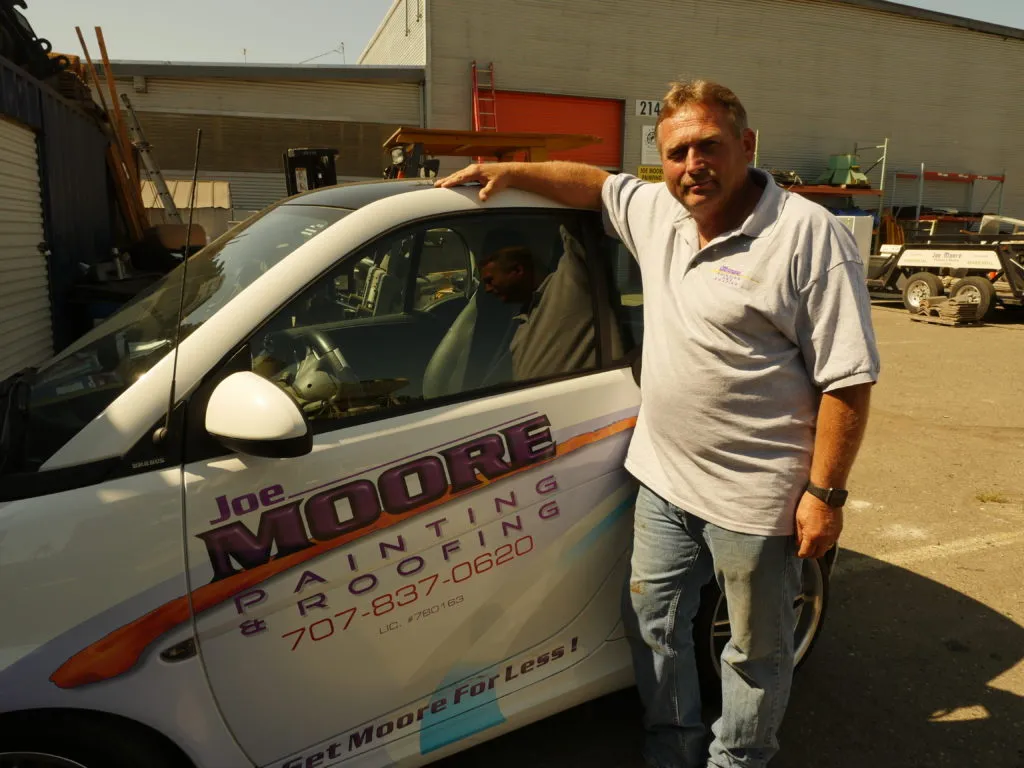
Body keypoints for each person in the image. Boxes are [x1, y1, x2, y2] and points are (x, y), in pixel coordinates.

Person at [436, 78, 879, 768]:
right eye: (676, 153)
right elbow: (590, 183)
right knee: (653, 625)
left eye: (708, 146)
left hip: (756, 501)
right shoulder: (658, 210)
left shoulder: (805, 237)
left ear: (746, 145)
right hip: (662, 483)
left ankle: (738, 757)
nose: (691, 165)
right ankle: (670, 746)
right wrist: (506, 171)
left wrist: (825, 496)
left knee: (754, 653)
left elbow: (847, 379)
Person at [475, 225, 610, 382]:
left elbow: (575, 231)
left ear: (517, 270)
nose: (487, 289)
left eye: (490, 281)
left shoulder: (570, 282)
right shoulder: (520, 322)